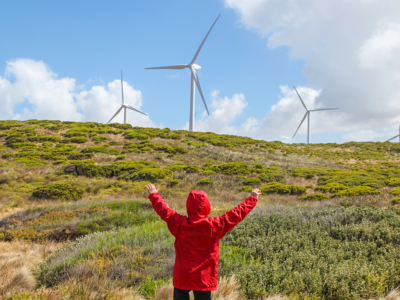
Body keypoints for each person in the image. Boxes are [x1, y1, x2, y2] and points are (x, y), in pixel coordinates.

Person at [145, 183, 262, 300]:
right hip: (204, 277)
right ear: (207, 206)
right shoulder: (215, 226)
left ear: (188, 206)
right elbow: (236, 214)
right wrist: (252, 199)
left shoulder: (179, 224)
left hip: (183, 275)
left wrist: (154, 194)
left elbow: (165, 211)